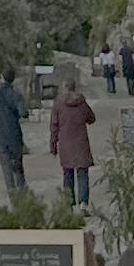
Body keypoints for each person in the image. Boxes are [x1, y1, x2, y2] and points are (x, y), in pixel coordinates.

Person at [46, 70, 94, 212]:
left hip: (65, 144)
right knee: (82, 174)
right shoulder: (81, 102)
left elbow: (54, 127)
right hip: (81, 143)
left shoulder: (58, 104)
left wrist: (53, 146)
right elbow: (91, 118)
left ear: (64, 88)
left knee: (68, 174)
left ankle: (68, 203)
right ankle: (83, 204)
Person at [0, 69, 27, 193]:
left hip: (0, 136)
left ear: (1, 76)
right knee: (18, 169)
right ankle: (23, 198)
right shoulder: (16, 95)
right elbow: (24, 113)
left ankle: (13, 199)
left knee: (7, 171)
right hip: (14, 135)